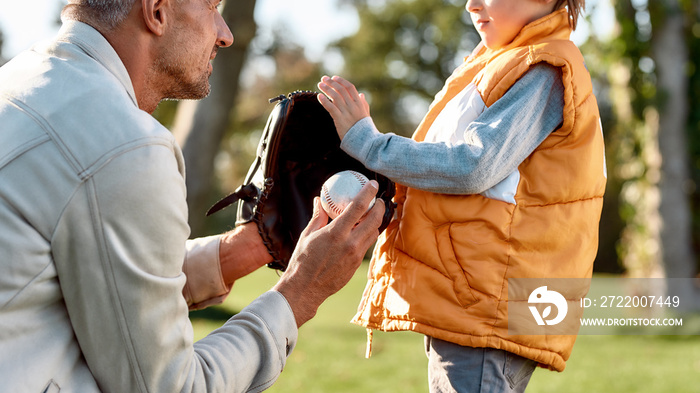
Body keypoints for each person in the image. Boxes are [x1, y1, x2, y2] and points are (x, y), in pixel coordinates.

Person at [0, 0, 385, 392]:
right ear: (157, 12)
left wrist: (244, 250)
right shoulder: (124, 143)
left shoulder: (21, 80)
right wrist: (300, 292)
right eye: (211, 7)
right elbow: (174, 387)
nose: (225, 34)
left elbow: (103, 278)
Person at [318, 0, 606, 392]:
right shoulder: (499, 62)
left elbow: (474, 165)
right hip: (475, 294)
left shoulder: (544, 69)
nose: (472, 4)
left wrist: (370, 144)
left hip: (489, 300)